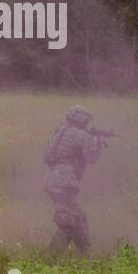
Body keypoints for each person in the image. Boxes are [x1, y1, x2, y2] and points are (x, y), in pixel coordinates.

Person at [44, 105, 101, 254]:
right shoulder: (81, 135)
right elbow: (92, 158)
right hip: (64, 182)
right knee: (68, 221)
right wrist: (97, 143)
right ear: (82, 120)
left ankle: (86, 253)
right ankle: (53, 256)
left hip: (51, 180)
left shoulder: (59, 131)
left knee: (78, 217)